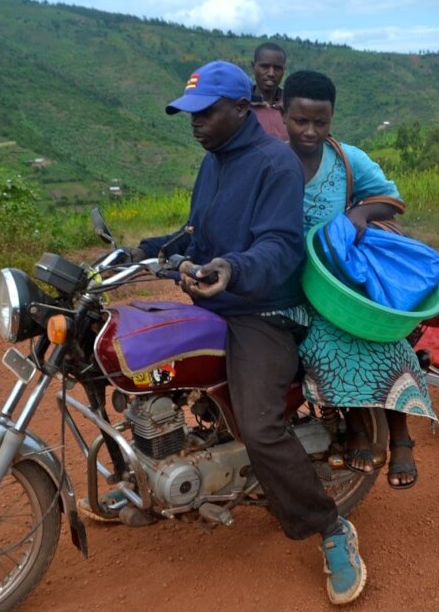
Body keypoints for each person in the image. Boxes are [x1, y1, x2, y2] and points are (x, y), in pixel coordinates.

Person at [85, 60, 366, 605]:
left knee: (259, 426)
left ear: (240, 108)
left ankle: (331, 527)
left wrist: (233, 268)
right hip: (215, 303)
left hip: (263, 312)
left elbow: (280, 245)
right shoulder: (214, 160)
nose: (195, 122)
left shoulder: (275, 164)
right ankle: (149, 476)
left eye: (205, 112)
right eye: (190, 113)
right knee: (143, 368)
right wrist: (142, 251)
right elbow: (196, 233)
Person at [281, 69, 438, 490]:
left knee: (383, 342)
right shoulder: (272, 161)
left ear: (332, 118)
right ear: (282, 113)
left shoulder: (347, 159)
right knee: (319, 346)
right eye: (300, 121)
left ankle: (401, 437)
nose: (310, 131)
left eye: (321, 122)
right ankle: (353, 428)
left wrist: (360, 213)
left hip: (341, 281)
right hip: (294, 282)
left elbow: (392, 200)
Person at [249, 42, 289, 141]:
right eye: (265, 67)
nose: (271, 73)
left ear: (284, 70)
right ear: (253, 67)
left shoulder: (291, 107)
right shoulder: (241, 105)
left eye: (278, 68)